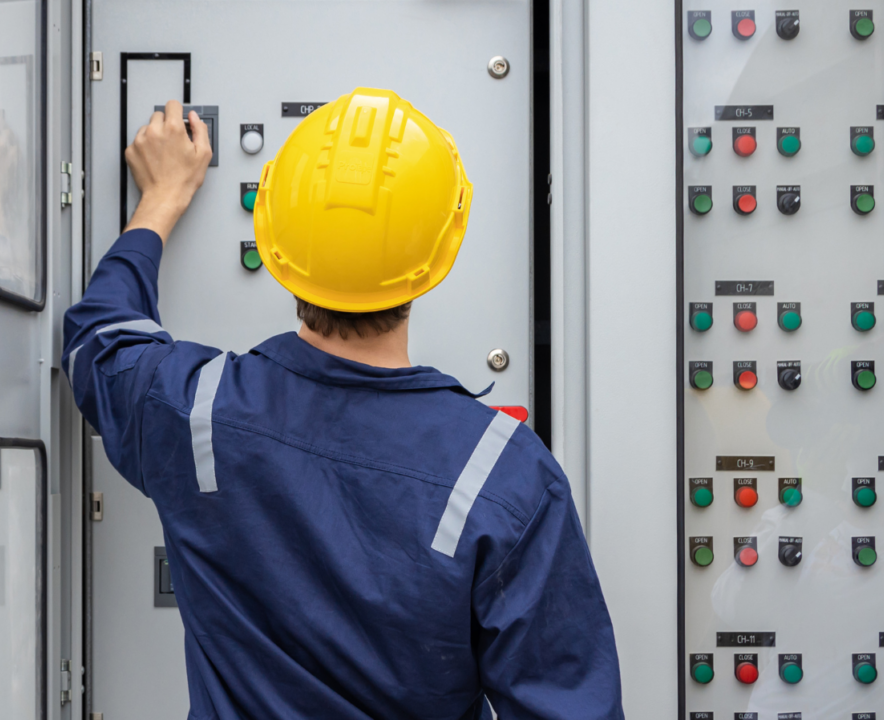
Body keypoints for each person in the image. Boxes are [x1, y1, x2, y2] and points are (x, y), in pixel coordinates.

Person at [63, 90, 624, 719]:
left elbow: (98, 341)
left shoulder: (196, 411)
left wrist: (162, 197)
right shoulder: (504, 475)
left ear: (273, 234)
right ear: (441, 250)